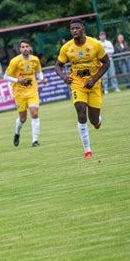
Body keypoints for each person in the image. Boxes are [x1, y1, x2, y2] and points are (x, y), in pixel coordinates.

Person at [55, 19, 110, 159]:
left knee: (94, 120)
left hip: (94, 84)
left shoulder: (95, 44)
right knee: (80, 111)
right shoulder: (66, 47)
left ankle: (97, 121)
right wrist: (63, 77)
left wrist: (94, 79)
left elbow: (106, 63)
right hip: (77, 84)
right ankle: (87, 151)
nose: (74, 31)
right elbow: (57, 66)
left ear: (83, 29)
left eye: (77, 28)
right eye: (72, 29)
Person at [5, 39, 47, 147]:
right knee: (23, 119)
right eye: (23, 47)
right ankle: (17, 133)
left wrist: (42, 79)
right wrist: (17, 80)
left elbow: (38, 72)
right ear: (20, 49)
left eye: (27, 46)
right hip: (19, 93)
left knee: (34, 113)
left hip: (32, 91)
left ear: (30, 48)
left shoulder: (35, 60)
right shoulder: (15, 61)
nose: (25, 49)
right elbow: (6, 77)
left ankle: (35, 141)